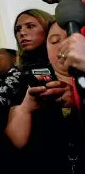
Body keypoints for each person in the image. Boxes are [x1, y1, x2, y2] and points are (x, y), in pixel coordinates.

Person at [5, 22, 84, 173]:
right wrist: (26, 108)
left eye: (71, 37)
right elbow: (14, 144)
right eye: (54, 41)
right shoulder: (30, 84)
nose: (65, 45)